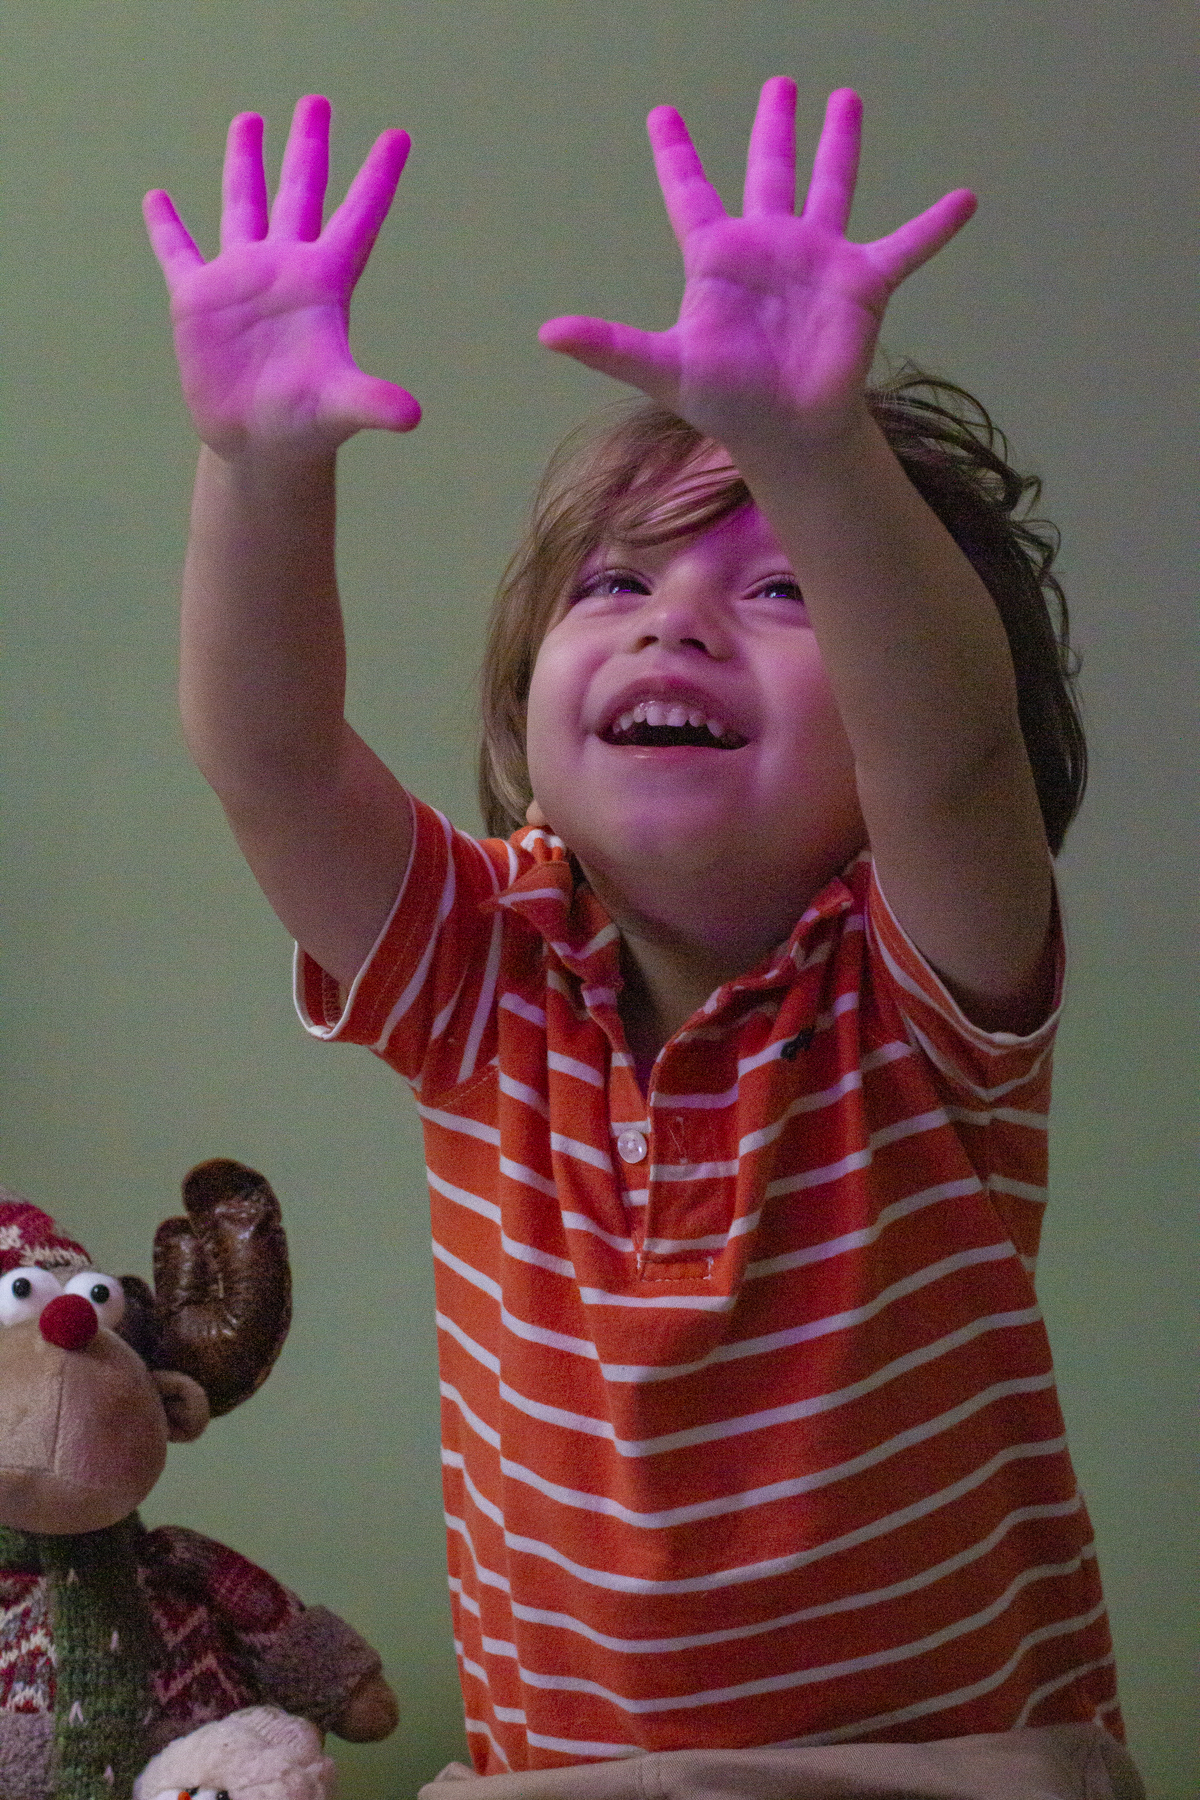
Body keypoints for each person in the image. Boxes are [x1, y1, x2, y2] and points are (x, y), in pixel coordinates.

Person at [144, 81, 1144, 1800]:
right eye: (613, 584)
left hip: (952, 1764)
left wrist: (820, 453)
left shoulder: (926, 988)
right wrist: (255, 468)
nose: (672, 619)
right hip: (566, 1775)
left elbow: (958, 754)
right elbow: (272, 758)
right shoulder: (483, 968)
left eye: (782, 588)